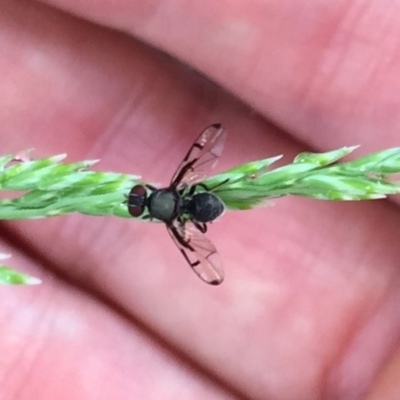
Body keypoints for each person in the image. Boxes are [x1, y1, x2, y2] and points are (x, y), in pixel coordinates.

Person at [2, 1, 399, 399]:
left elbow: (198, 249)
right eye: (141, 198)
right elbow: (201, 155)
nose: (137, 197)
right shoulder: (177, 190)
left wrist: (189, 219)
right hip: (196, 199)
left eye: (136, 199)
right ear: (158, 193)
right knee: (201, 201)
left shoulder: (175, 226)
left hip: (195, 206)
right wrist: (190, 202)